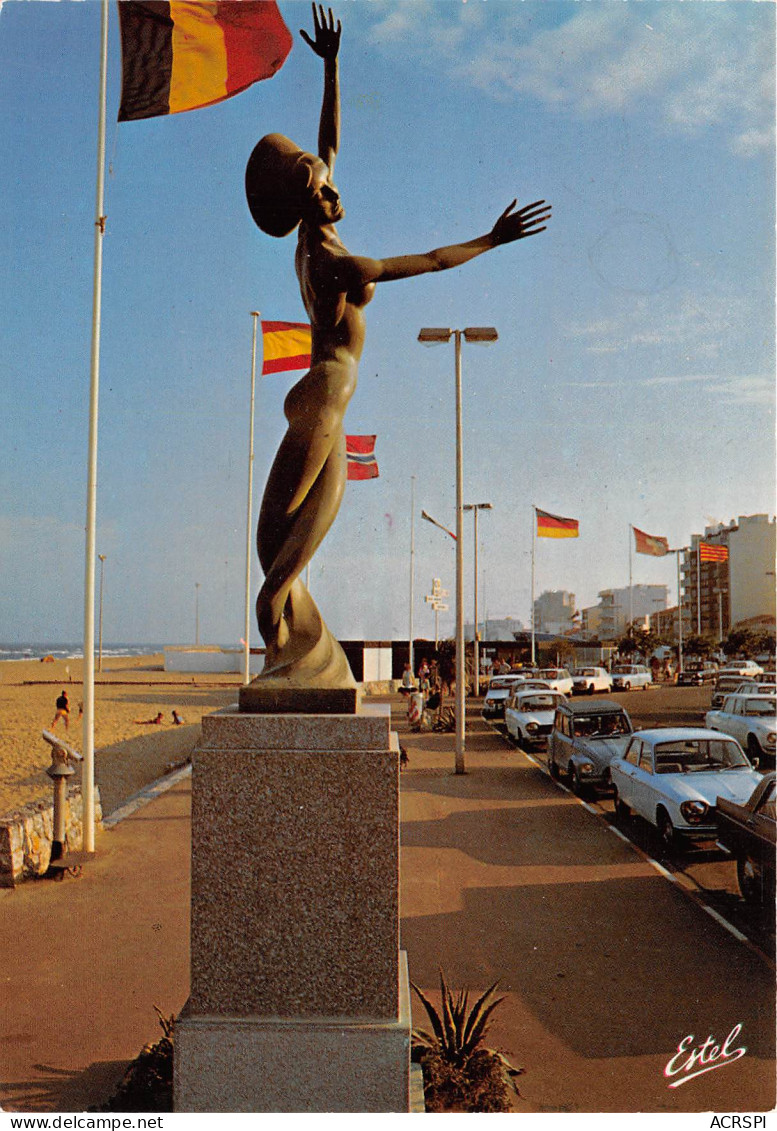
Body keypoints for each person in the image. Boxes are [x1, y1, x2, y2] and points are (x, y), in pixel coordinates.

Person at [244, 4, 551, 690]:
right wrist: (490, 241)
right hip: (324, 393)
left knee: (301, 518)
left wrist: (331, 66)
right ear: (307, 196)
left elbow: (330, 143)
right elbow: (433, 261)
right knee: (291, 533)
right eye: (322, 186)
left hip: (323, 393)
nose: (334, 185)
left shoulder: (308, 230)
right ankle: (275, 614)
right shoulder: (335, 263)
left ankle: (295, 639)